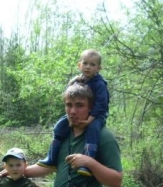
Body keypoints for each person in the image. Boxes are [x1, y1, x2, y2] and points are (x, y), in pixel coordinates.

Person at [37, 49, 109, 177]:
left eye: (92, 65)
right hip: (82, 114)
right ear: (79, 65)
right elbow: (70, 95)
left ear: (99, 68)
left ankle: (86, 164)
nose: (88, 67)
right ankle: (52, 158)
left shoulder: (99, 84)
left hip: (97, 116)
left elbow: (101, 105)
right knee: (59, 126)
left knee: (92, 131)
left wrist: (89, 120)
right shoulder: (80, 80)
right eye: (85, 63)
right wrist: (73, 81)